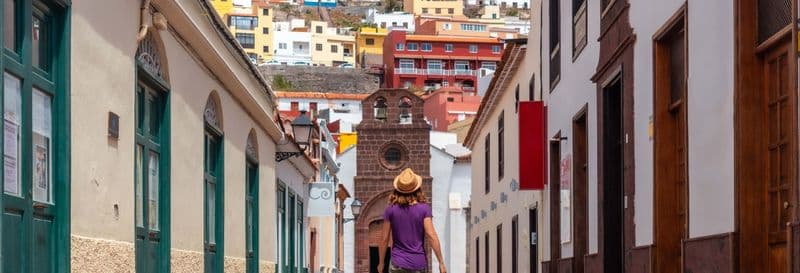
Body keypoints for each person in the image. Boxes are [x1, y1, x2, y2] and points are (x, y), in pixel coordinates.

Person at [378, 168, 447, 273]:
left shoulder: (390, 210)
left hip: (398, 263)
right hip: (418, 264)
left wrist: (381, 263)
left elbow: (384, 239)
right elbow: (431, 235)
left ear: (397, 189)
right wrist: (441, 262)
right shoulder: (424, 209)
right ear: (417, 189)